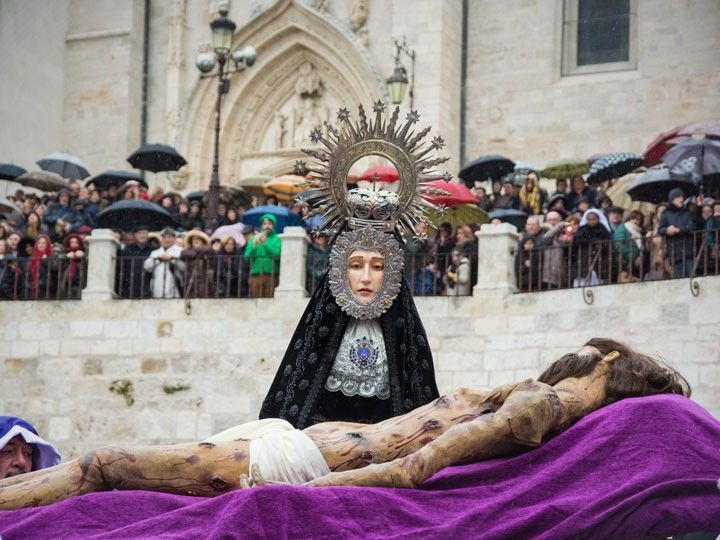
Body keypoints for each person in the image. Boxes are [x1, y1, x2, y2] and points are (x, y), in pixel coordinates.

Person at [0, 339, 690, 507]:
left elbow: (416, 466)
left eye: (598, 354)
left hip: (293, 466)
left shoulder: (537, 408)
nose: (587, 353)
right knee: (100, 467)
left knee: (102, 468)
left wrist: (297, 498)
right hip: (291, 445)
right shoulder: (532, 391)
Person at [659, 188, 696, 278]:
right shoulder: (666, 213)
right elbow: (660, 230)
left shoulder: (687, 212)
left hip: (687, 250)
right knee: (679, 279)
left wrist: (679, 230)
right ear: (672, 199)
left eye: (682, 197)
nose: (681, 199)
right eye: (678, 197)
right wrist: (667, 230)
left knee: (692, 278)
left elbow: (692, 227)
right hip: (674, 252)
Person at [244, 214, 281, 298]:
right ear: (261, 226)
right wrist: (253, 246)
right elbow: (246, 257)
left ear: (273, 226)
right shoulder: (253, 239)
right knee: (256, 301)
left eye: (269, 224)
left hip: (272, 276)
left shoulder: (277, 239)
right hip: (256, 275)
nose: (267, 226)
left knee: (270, 302)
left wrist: (265, 244)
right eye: (265, 224)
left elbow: (277, 255)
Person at [572, 209, 612, 287]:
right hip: (584, 261)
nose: (591, 221)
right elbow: (577, 241)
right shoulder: (582, 230)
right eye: (589, 219)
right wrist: (593, 241)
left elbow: (607, 244)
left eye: (594, 219)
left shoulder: (603, 230)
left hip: (599, 261)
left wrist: (601, 245)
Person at [143, 227, 185, 298]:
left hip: (175, 288)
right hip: (157, 289)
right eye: (164, 237)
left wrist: (172, 259)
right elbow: (146, 267)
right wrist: (159, 259)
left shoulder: (181, 251)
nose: (167, 240)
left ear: (174, 238)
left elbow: (184, 267)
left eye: (169, 237)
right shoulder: (155, 253)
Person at [118, 226, 153, 298]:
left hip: (147, 284)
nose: (142, 235)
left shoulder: (153, 249)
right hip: (130, 286)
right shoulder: (127, 249)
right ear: (135, 235)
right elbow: (122, 269)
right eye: (139, 233)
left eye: (144, 233)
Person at [181, 230, 215, 298]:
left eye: (198, 239)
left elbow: (210, 250)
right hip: (191, 279)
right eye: (193, 239)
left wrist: (196, 252)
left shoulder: (208, 249)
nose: (196, 240)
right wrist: (196, 254)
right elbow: (183, 253)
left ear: (202, 241)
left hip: (205, 278)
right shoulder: (187, 251)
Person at [613, 210, 645, 279]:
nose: (635, 221)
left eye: (638, 219)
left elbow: (640, 248)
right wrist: (633, 258)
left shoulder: (639, 231)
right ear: (629, 218)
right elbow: (620, 245)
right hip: (624, 263)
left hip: (636, 264)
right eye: (633, 218)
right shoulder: (623, 228)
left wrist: (640, 258)